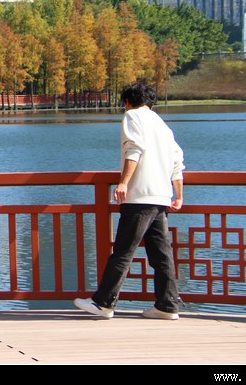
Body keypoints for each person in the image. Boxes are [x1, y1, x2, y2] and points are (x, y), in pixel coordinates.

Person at [74, 80, 185, 320]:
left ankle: (103, 302)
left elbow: (134, 150)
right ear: (150, 102)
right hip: (161, 197)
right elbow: (177, 161)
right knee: (161, 255)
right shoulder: (162, 125)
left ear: (127, 101)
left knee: (123, 251)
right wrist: (179, 195)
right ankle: (167, 305)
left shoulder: (133, 117)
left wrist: (123, 182)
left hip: (140, 196)